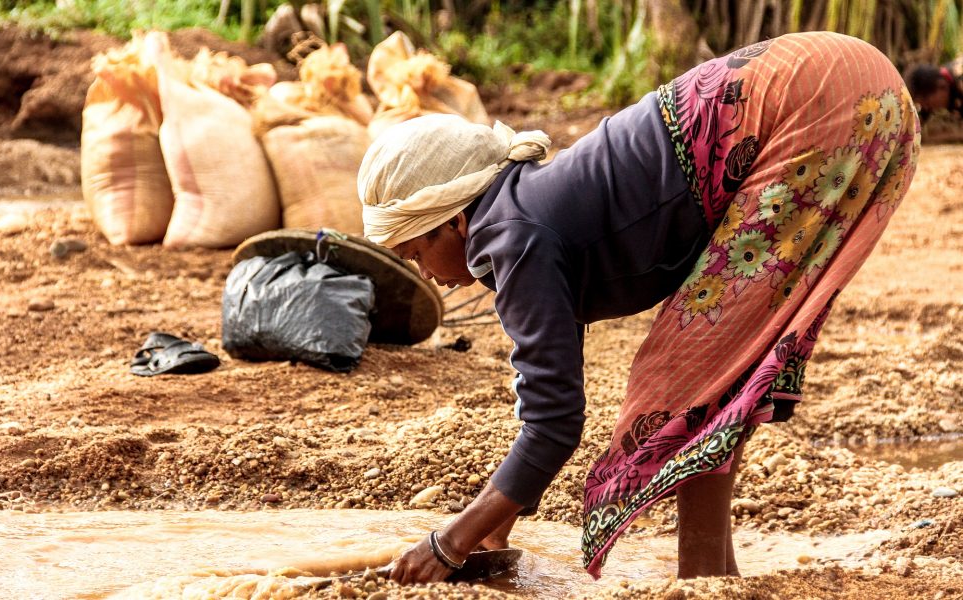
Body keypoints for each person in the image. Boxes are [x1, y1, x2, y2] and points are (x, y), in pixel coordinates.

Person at [357, 31, 920, 583]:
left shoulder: (511, 237)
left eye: (416, 252)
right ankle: (714, 576)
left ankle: (702, 581)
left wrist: (449, 543)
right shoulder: (527, 210)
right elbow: (544, 388)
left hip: (813, 100)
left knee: (690, 375)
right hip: (846, 83)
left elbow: (555, 422)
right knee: (719, 371)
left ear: (455, 220)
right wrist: (496, 521)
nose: (427, 274)